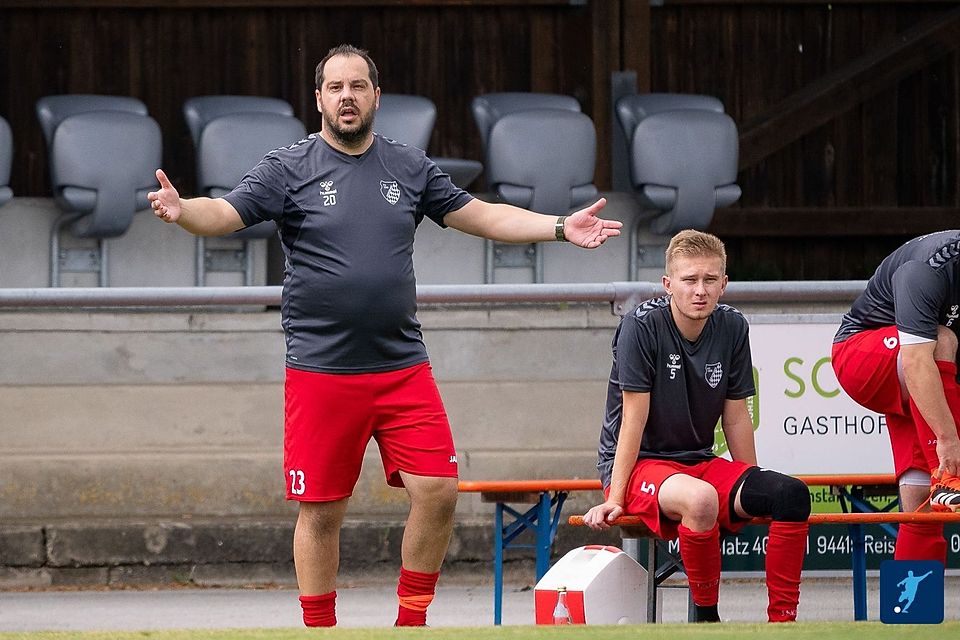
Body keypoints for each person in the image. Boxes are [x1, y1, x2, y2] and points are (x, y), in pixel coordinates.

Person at [148, 44, 622, 627]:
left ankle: (411, 623)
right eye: (335, 87)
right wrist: (183, 210)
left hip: (402, 367)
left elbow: (483, 215)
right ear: (318, 99)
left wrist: (559, 226)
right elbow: (223, 214)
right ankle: (320, 630)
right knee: (321, 512)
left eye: (357, 86)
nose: (346, 97)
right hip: (321, 371)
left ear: (376, 96)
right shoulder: (287, 168)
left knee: (439, 490)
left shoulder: (409, 166)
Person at [583, 230, 810, 623]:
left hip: (698, 464)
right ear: (668, 284)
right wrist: (616, 496)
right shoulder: (641, 325)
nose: (700, 290)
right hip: (640, 466)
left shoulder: (733, 325)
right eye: (689, 280)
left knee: (791, 494)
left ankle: (783, 622)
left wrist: (748, 479)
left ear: (724, 284)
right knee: (702, 500)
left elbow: (736, 415)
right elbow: (633, 417)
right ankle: (707, 620)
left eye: (709, 280)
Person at [832, 231, 960, 565]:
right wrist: (948, 442)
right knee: (942, 340)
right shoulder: (928, 268)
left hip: (922, 376)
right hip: (859, 354)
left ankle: (910, 602)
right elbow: (917, 362)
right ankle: (950, 477)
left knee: (920, 503)